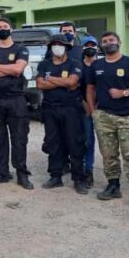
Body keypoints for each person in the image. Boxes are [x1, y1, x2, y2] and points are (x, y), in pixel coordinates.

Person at [85, 31, 129, 209]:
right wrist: (93, 112)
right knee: (108, 154)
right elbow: (90, 89)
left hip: (127, 116)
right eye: (104, 41)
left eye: (111, 40)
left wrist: (124, 93)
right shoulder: (96, 65)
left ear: (119, 42)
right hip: (103, 116)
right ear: (101, 46)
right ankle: (113, 186)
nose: (108, 43)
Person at [0, 18, 33, 190]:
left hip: (16, 100)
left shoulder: (21, 49)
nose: (2, 29)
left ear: (11, 29)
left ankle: (21, 174)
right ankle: (1, 172)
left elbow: (18, 70)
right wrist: (8, 68)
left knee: (19, 138)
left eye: (5, 27)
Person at [36, 34, 87, 194]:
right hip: (50, 109)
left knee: (75, 142)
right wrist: (62, 83)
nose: (57, 47)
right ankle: (55, 176)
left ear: (66, 47)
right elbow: (39, 84)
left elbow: (72, 82)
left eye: (60, 44)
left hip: (71, 109)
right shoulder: (44, 64)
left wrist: (50, 79)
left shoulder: (74, 63)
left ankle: (78, 178)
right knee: (53, 142)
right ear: (50, 47)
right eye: (54, 44)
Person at [80, 35, 100, 187]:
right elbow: (73, 87)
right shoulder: (78, 66)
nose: (90, 48)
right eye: (87, 46)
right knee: (83, 140)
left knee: (92, 141)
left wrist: (95, 106)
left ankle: (89, 170)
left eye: (93, 46)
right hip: (81, 108)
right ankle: (82, 170)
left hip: (100, 108)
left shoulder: (101, 66)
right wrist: (85, 105)